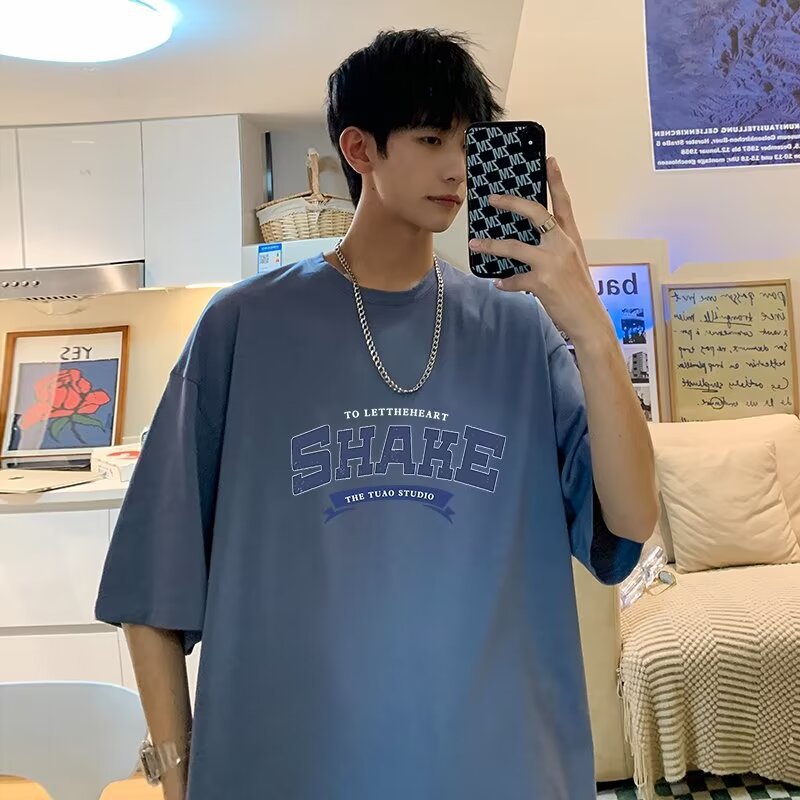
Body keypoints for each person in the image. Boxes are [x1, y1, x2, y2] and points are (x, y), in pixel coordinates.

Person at [95, 28, 658, 800]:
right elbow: (152, 585)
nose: (457, 167)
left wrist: (589, 326)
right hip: (289, 770)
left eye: (466, 141)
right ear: (360, 149)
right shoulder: (243, 327)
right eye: (430, 140)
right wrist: (175, 772)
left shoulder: (520, 331)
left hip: (495, 766)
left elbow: (629, 520)